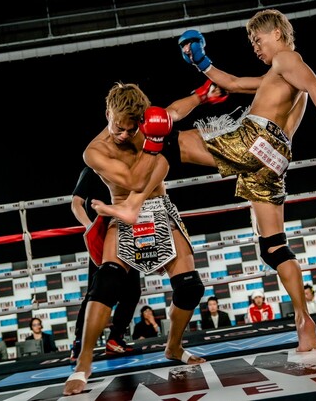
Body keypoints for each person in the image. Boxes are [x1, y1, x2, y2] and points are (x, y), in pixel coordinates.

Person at [168, 8, 316, 351]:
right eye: (252, 43)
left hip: (255, 140)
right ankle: (303, 318)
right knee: (273, 247)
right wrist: (202, 63)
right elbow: (234, 84)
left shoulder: (287, 59)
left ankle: (126, 178)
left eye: (258, 40)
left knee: (169, 141)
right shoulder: (279, 74)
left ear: (277, 33)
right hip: (275, 159)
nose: (255, 47)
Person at [63, 81, 218, 396]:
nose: (123, 134)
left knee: (190, 286)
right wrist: (156, 141)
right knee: (106, 283)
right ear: (108, 114)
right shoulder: (95, 151)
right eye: (118, 127)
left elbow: (173, 111)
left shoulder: (148, 123)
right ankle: (84, 363)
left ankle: (174, 346)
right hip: (123, 213)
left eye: (131, 129)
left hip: (159, 207)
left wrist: (201, 96)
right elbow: (134, 180)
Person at [70, 165, 139, 360]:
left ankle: (115, 338)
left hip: (127, 232)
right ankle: (79, 342)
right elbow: (76, 204)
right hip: (103, 235)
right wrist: (90, 227)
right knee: (97, 290)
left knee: (132, 291)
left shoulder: (127, 167)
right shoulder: (92, 169)